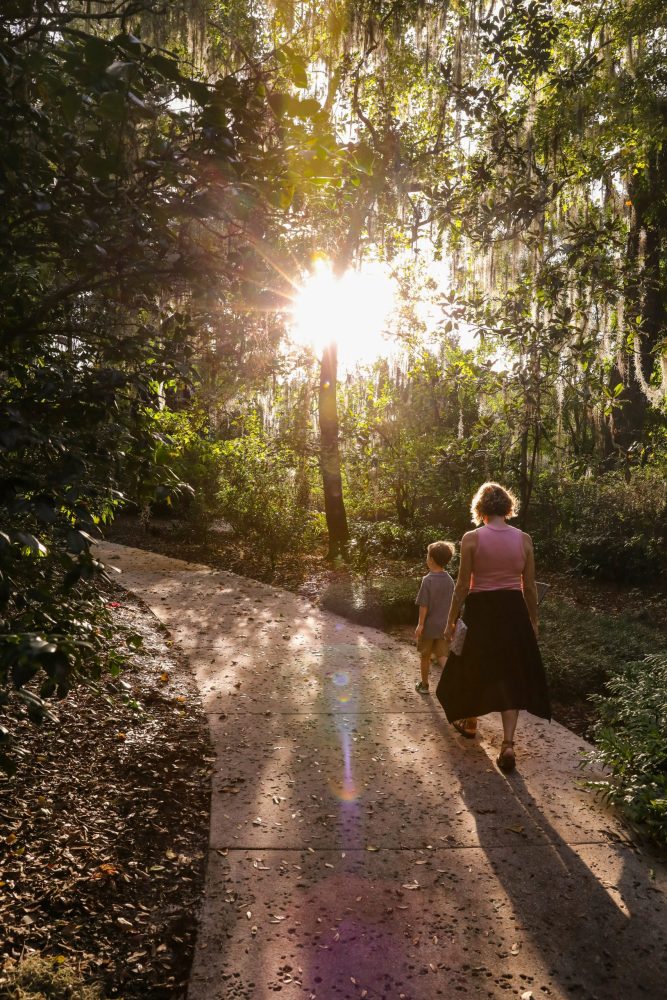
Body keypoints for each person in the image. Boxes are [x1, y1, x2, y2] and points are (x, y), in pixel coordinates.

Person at [436, 482, 551, 771]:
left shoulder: (472, 538)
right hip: (513, 612)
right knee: (510, 674)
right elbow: (530, 588)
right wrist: (533, 621)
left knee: (473, 667)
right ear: (507, 508)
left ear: (481, 508)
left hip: (482, 611)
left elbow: (462, 585)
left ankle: (471, 721)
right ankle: (508, 744)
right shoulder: (524, 539)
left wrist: (451, 620)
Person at [414, 540, 455, 694]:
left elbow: (424, 605)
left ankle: (424, 685)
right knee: (442, 655)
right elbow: (453, 603)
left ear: (431, 559)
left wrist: (420, 624)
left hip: (429, 626)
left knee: (425, 656)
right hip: (444, 626)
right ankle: (454, 680)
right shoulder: (450, 581)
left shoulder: (428, 580)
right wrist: (451, 623)